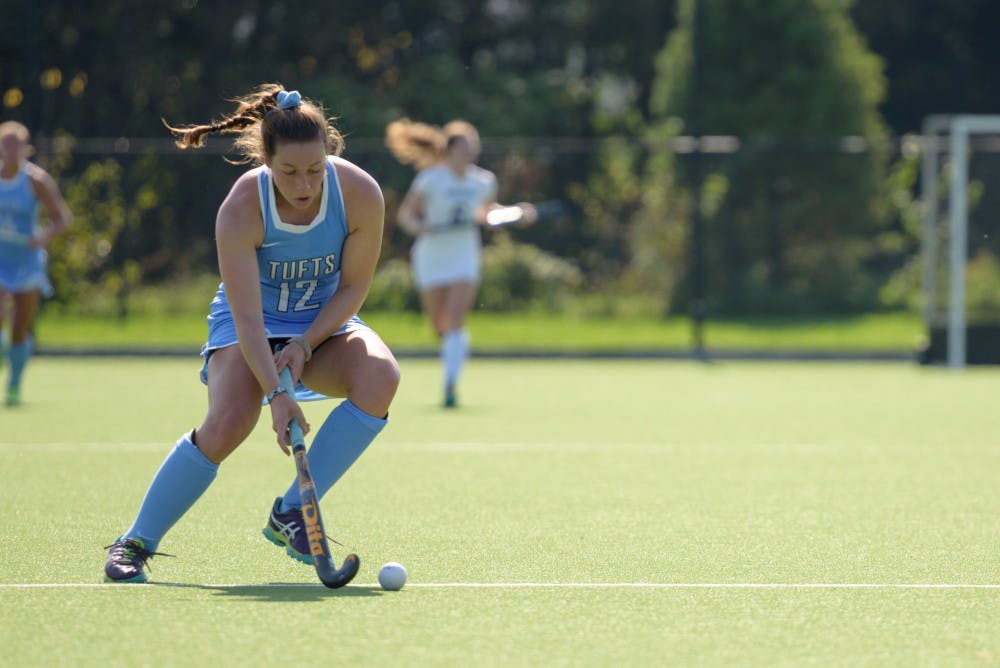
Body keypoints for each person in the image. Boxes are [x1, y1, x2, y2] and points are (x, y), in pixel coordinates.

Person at [103, 84, 400, 583]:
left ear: (330, 154)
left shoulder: (360, 195)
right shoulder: (243, 207)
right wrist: (275, 394)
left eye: (314, 170)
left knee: (380, 376)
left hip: (322, 323)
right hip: (250, 324)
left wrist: (305, 344)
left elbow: (353, 287)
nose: (304, 185)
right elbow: (246, 318)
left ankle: (291, 514)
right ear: (266, 161)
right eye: (289, 172)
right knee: (228, 422)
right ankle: (135, 540)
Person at [385, 118, 532, 408]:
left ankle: (450, 384)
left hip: (464, 254)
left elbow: (487, 214)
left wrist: (517, 213)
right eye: (464, 148)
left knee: (455, 321)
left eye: (472, 148)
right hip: (431, 255)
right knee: (439, 327)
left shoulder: (484, 181)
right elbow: (406, 215)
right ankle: (454, 353)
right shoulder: (430, 179)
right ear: (450, 150)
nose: (469, 154)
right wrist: (421, 227)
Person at [0, 121, 72, 407]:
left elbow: (63, 219)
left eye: (15, 145)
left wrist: (42, 237)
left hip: (28, 262)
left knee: (20, 330)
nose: (10, 150)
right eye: (5, 144)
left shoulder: (36, 181)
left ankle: (15, 381)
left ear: (24, 149)